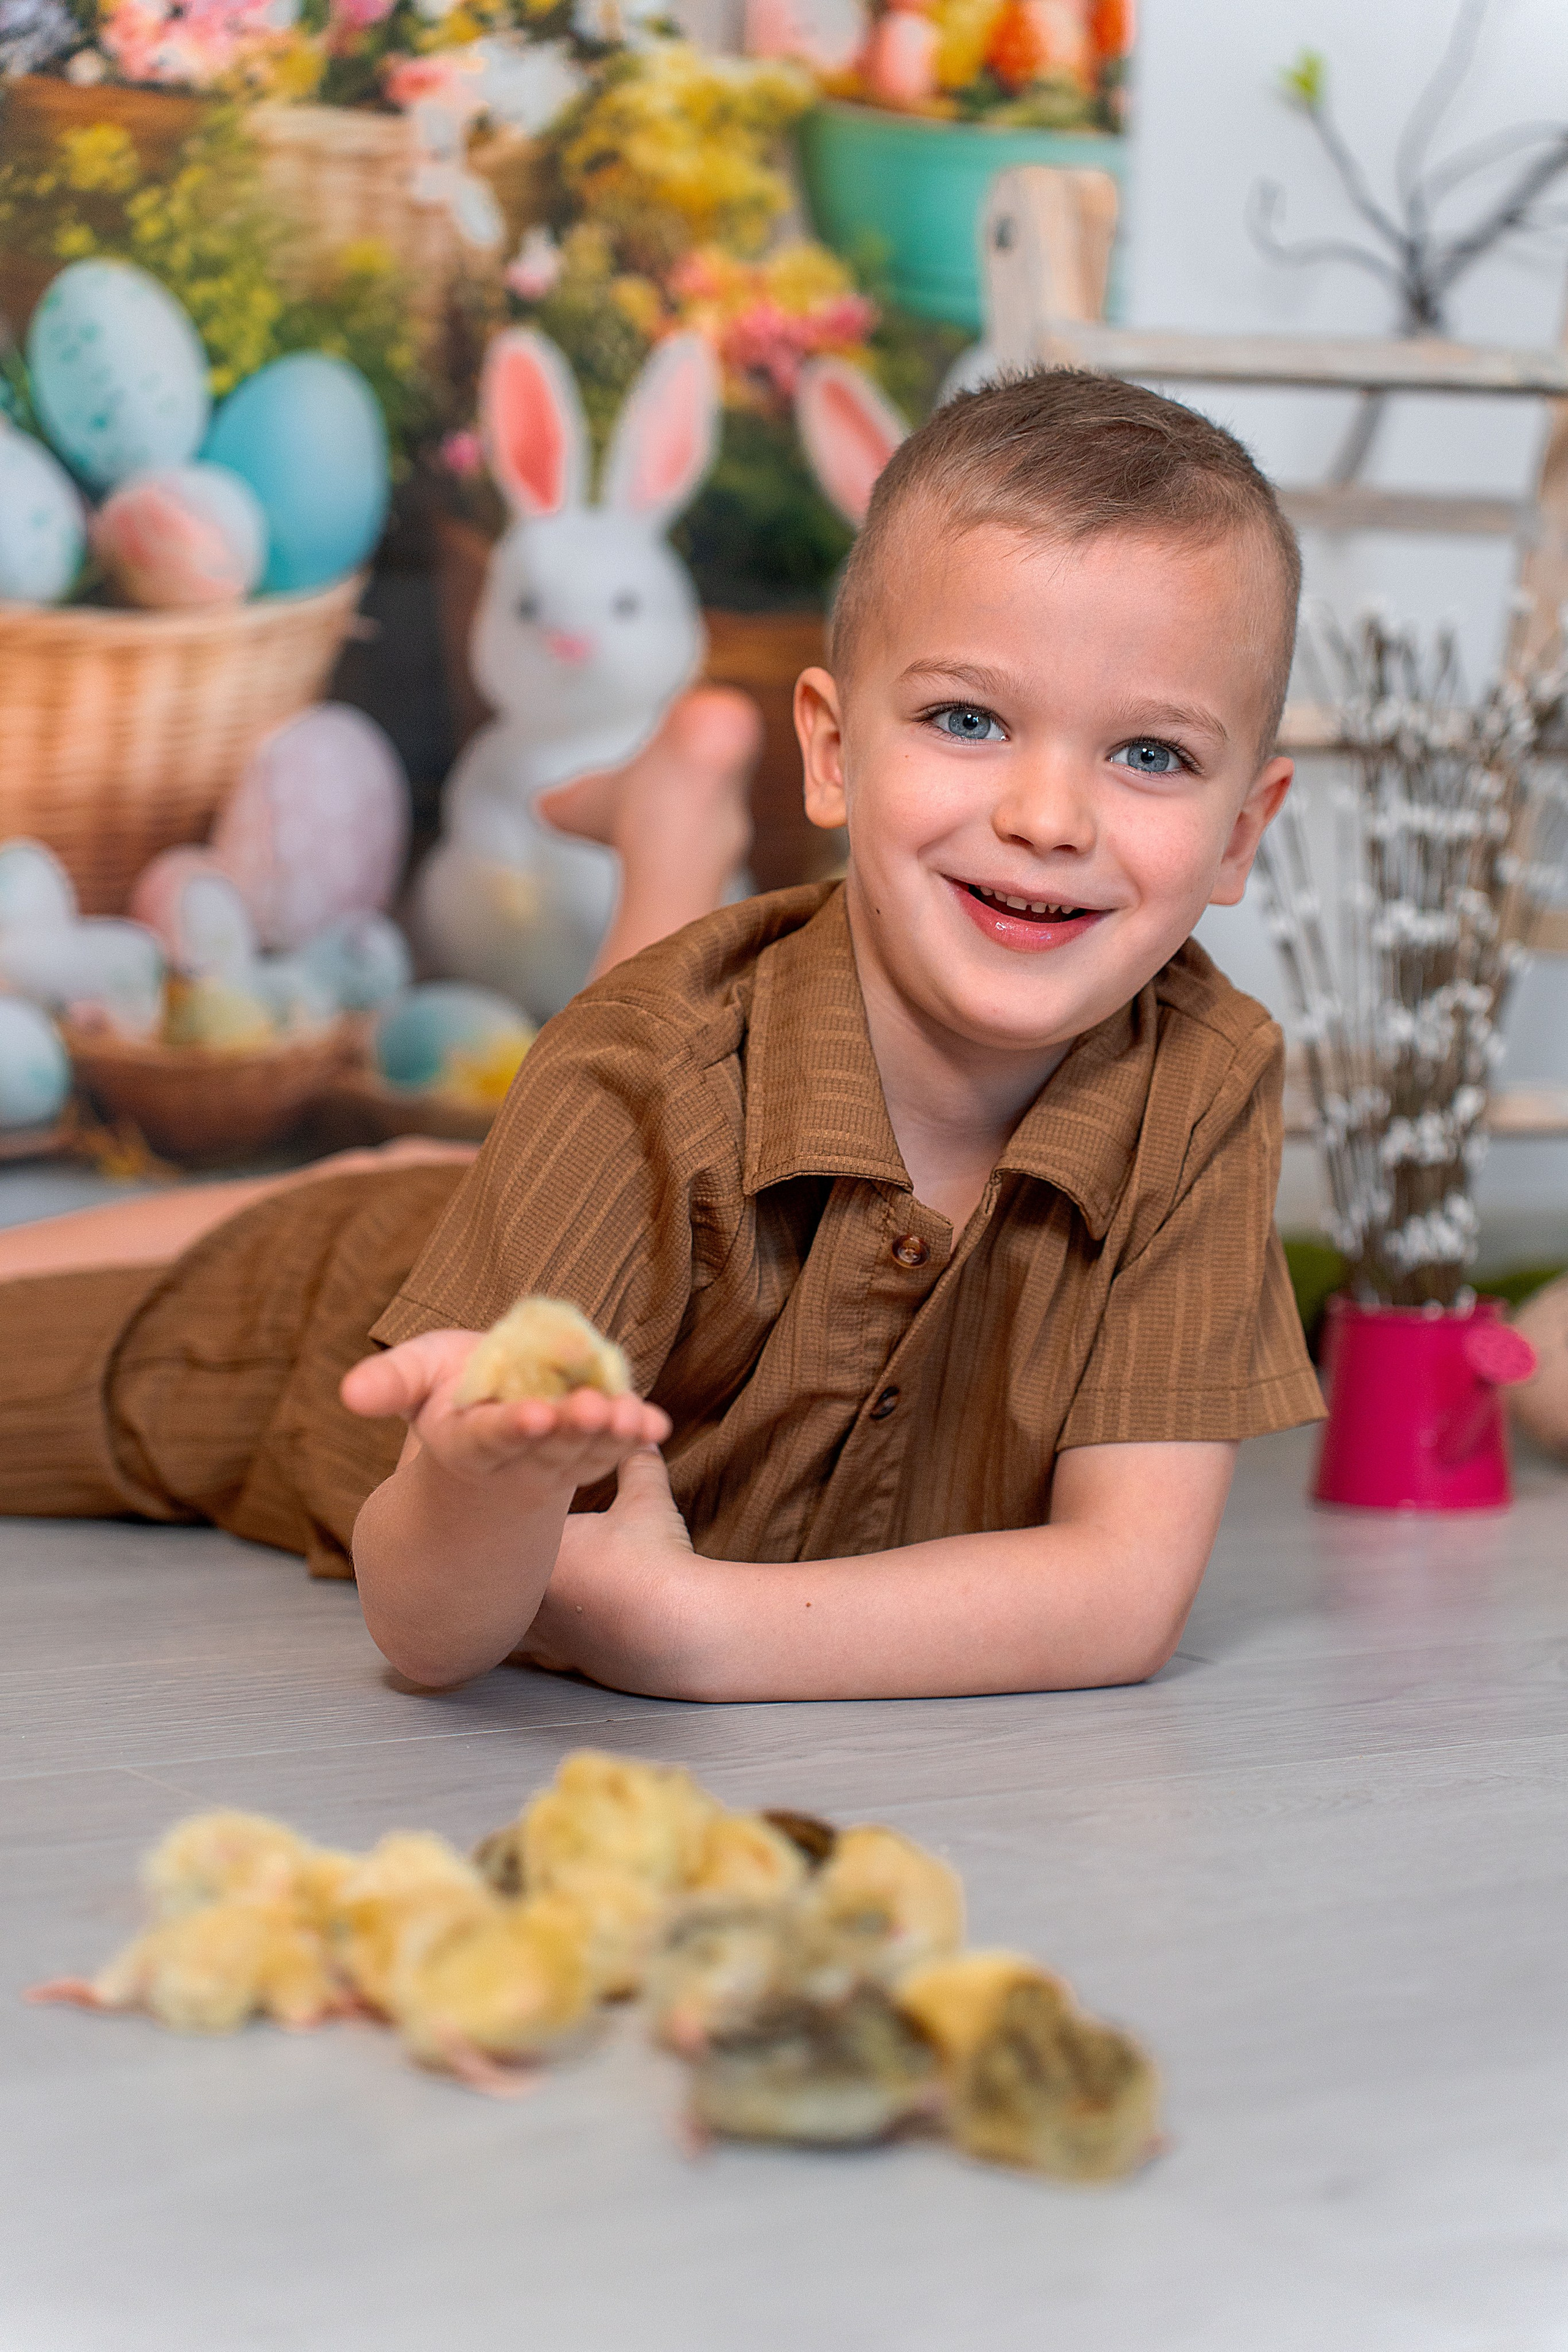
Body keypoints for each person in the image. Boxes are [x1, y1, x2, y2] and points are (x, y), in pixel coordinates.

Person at [0, 370, 1324, 1701]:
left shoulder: (1205, 1077)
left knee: (475, 1172)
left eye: (1149, 755)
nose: (1050, 817)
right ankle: (394, 1150)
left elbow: (1121, 1594)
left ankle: (643, 852)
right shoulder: (643, 1067)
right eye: (966, 720)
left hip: (558, 1202)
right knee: (344, 1227)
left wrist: (688, 1628)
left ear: (1240, 832)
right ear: (829, 754)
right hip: (300, 1316)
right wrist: (480, 1490)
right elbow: (425, 1628)